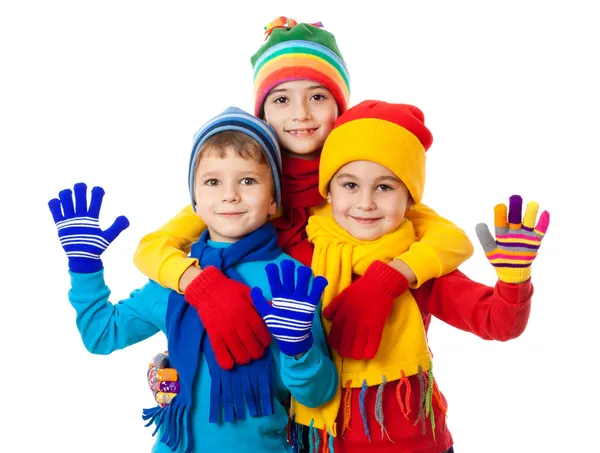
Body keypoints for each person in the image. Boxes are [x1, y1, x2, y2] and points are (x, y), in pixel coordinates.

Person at [138, 18, 475, 415]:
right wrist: (204, 288)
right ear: (262, 111)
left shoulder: (358, 180)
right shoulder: (246, 188)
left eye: (318, 96)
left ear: (339, 105)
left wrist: (388, 279)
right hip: (275, 399)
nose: (301, 114)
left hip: (369, 390)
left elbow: (450, 239)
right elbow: (152, 248)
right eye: (281, 99)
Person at [48, 107, 338, 453]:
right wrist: (85, 269)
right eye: (213, 182)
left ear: (273, 199)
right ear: (195, 202)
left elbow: (319, 394)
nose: (229, 195)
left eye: (248, 180)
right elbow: (101, 334)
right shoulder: (175, 278)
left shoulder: (291, 280)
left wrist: (299, 348)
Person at [289, 100, 549, 453]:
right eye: (350, 185)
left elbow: (498, 323)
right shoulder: (300, 255)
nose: (365, 202)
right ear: (328, 191)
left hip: (411, 441)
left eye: (385, 187)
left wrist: (514, 281)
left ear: (409, 199)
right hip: (320, 440)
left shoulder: (419, 266)